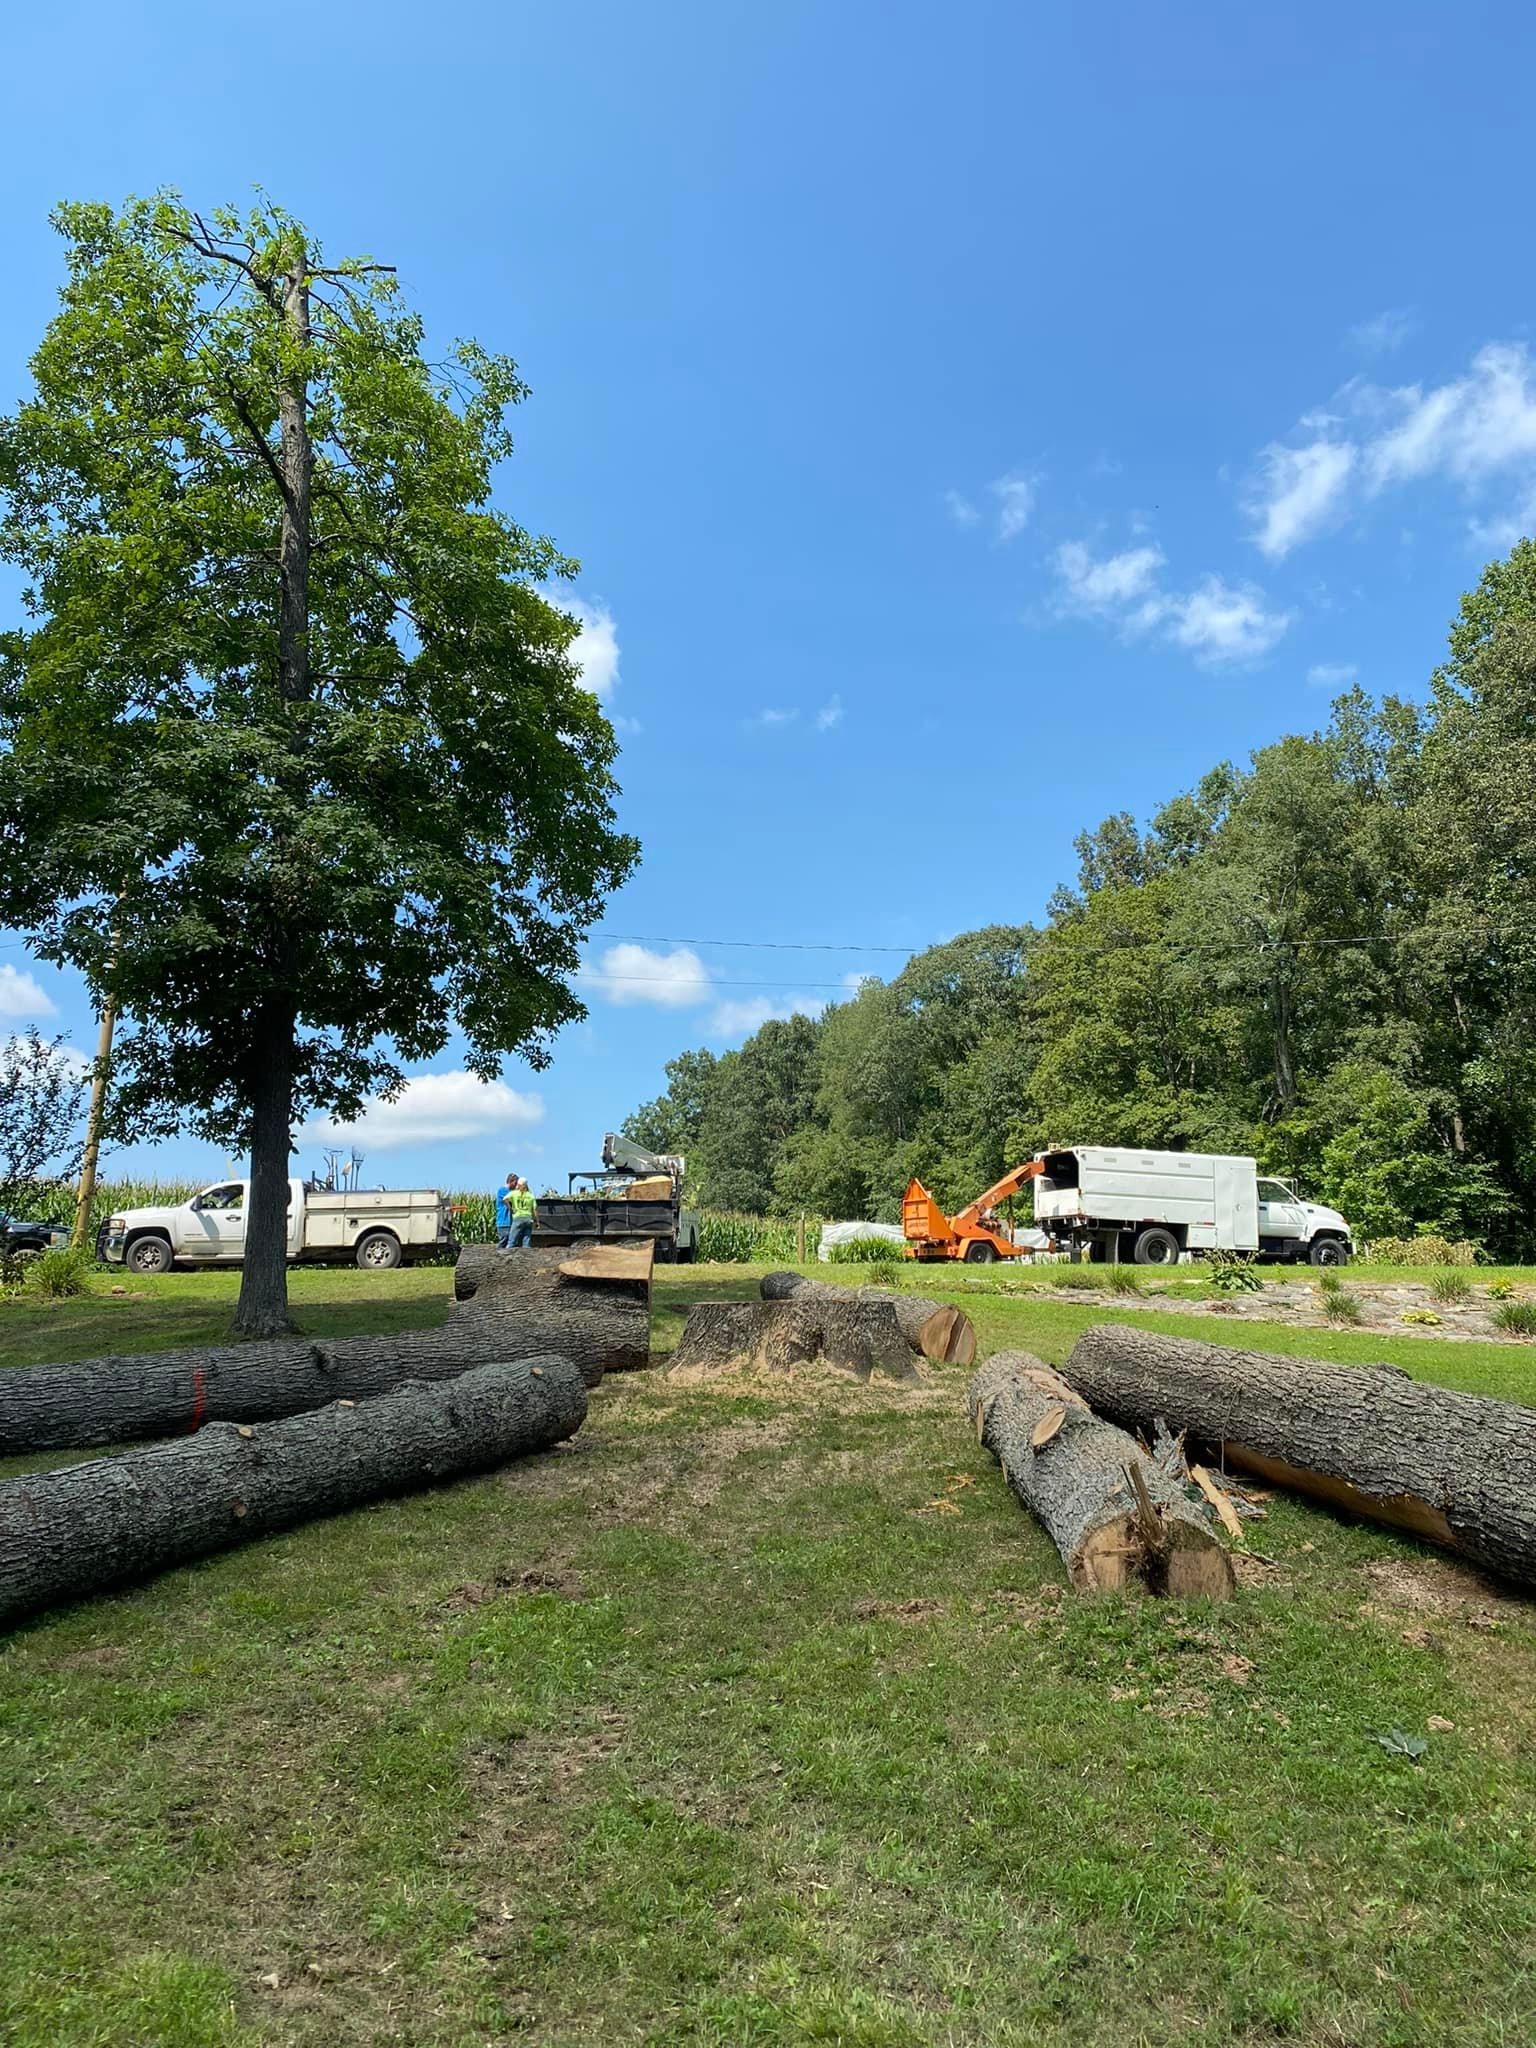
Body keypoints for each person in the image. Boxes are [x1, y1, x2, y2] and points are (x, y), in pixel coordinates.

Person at [508, 1176, 536, 1249]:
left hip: (518, 1217)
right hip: (528, 1218)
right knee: (526, 1239)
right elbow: (534, 1209)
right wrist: (537, 1221)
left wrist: (510, 1209)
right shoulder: (530, 1195)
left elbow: (505, 1199)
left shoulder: (514, 1193)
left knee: (512, 1239)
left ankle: (508, 1250)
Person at [494, 1170, 518, 1250]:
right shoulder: (503, 1190)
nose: (516, 1185)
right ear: (510, 1181)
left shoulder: (512, 1192)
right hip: (504, 1221)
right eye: (515, 1183)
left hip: (510, 1221)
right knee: (504, 1239)